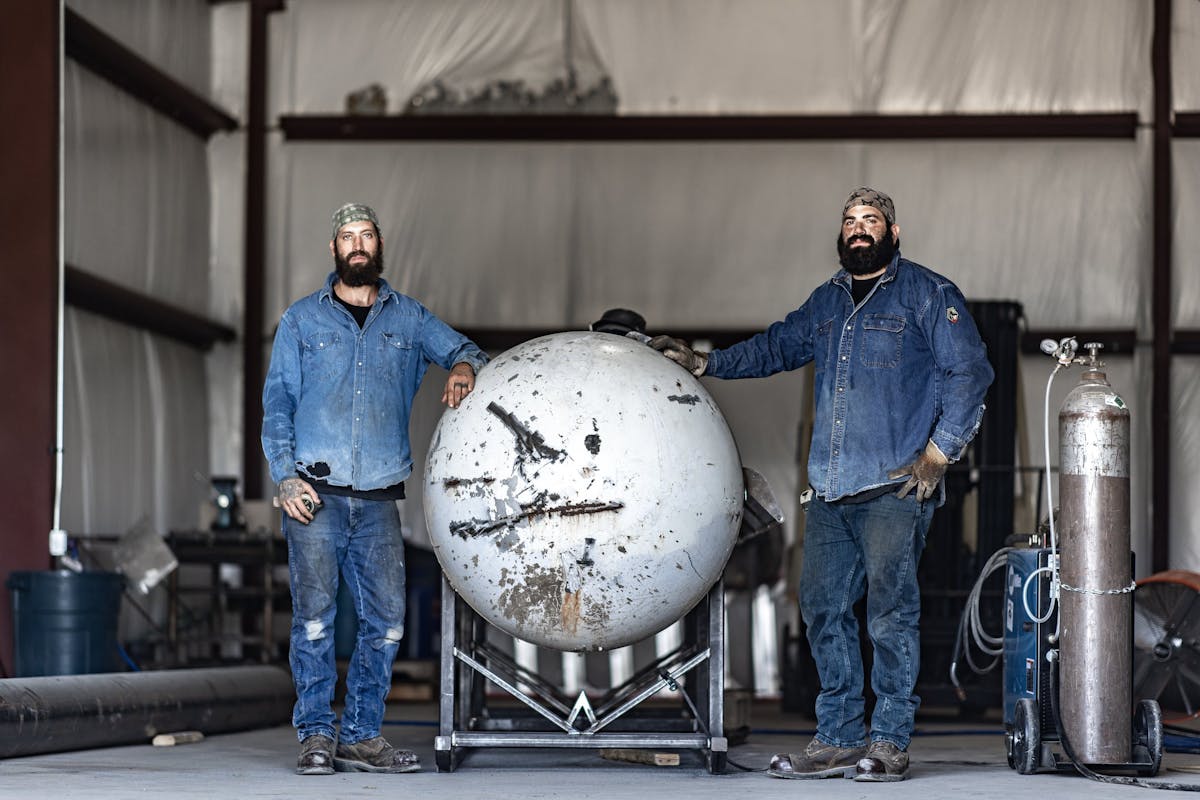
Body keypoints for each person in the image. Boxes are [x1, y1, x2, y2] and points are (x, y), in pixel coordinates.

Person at [650, 187, 993, 782]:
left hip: (894, 489)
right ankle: (838, 736)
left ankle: (888, 741)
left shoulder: (928, 294)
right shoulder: (827, 301)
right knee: (823, 609)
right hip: (832, 489)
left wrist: (938, 455)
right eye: (850, 221)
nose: (859, 229)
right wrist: (706, 363)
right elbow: (777, 346)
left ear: (892, 230)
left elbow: (971, 372)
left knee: (890, 615)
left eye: (871, 221)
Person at [261, 202, 488, 775]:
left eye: (366, 236)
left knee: (386, 622)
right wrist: (284, 475)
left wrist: (462, 368)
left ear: (379, 245)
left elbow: (467, 350)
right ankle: (315, 735)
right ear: (334, 249)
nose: (357, 245)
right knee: (314, 619)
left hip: (380, 500)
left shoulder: (408, 319)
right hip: (313, 494)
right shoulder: (301, 321)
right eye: (347, 237)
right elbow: (278, 404)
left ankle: (361, 734)